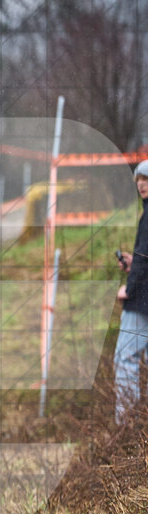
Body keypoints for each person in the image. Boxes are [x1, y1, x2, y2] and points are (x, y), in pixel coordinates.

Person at [114, 160, 148, 423]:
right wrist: (133, 262)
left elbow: (145, 258)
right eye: (138, 180)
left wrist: (130, 288)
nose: (141, 185)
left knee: (125, 358)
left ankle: (126, 425)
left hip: (141, 301)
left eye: (146, 180)